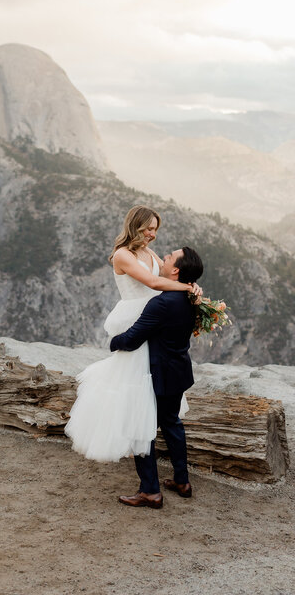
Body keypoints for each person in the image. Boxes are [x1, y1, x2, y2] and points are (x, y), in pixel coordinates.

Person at [64, 205, 201, 463]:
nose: (152, 234)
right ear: (134, 225)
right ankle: (142, 449)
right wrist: (185, 287)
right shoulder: (122, 255)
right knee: (134, 388)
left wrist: (192, 285)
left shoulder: (149, 252)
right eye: (148, 228)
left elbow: (168, 273)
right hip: (137, 319)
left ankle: (154, 474)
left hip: (154, 318)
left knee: (151, 382)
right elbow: (153, 282)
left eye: (155, 229)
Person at [110, 246, 204, 509]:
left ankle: (150, 491)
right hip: (179, 371)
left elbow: (131, 340)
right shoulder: (190, 298)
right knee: (172, 424)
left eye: (169, 257)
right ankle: (182, 481)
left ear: (175, 270)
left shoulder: (161, 302)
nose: (163, 257)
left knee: (143, 430)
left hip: (156, 375)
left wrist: (111, 342)